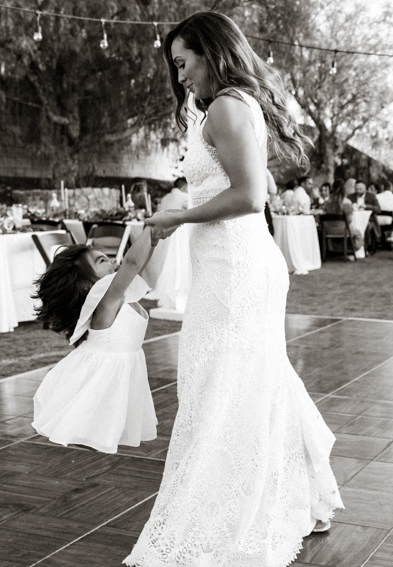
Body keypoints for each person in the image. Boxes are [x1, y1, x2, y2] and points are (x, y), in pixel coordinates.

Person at [126, 12, 342, 566]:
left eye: (183, 63)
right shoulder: (225, 106)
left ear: (211, 52)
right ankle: (292, 495)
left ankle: (227, 512)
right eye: (174, 67)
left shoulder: (226, 106)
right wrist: (184, 211)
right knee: (243, 379)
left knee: (222, 384)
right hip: (229, 264)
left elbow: (249, 197)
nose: (179, 78)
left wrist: (179, 217)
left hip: (238, 268)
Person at [30, 228, 159, 453]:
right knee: (92, 405)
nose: (112, 261)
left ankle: (89, 432)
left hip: (116, 362)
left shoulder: (118, 294)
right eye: (102, 261)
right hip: (106, 364)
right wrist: (150, 230)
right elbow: (132, 263)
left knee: (103, 409)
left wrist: (154, 240)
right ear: (88, 284)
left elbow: (138, 264)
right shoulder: (109, 299)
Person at [323, 178, 364, 256]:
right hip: (342, 230)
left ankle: (338, 249)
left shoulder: (327, 202)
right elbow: (349, 220)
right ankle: (350, 250)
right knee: (358, 233)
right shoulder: (347, 203)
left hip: (328, 230)